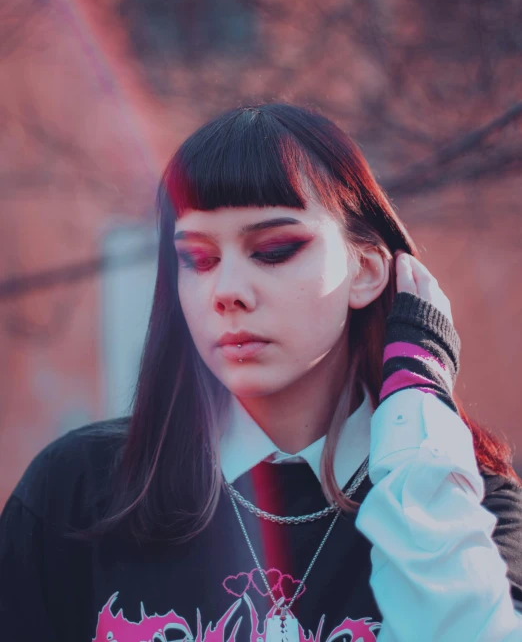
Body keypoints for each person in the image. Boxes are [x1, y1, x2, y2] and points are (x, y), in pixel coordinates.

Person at [0, 103, 521, 642]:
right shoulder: (77, 493)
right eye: (198, 260)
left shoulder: (468, 508)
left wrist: (416, 397)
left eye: (273, 250)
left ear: (365, 271)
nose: (226, 292)